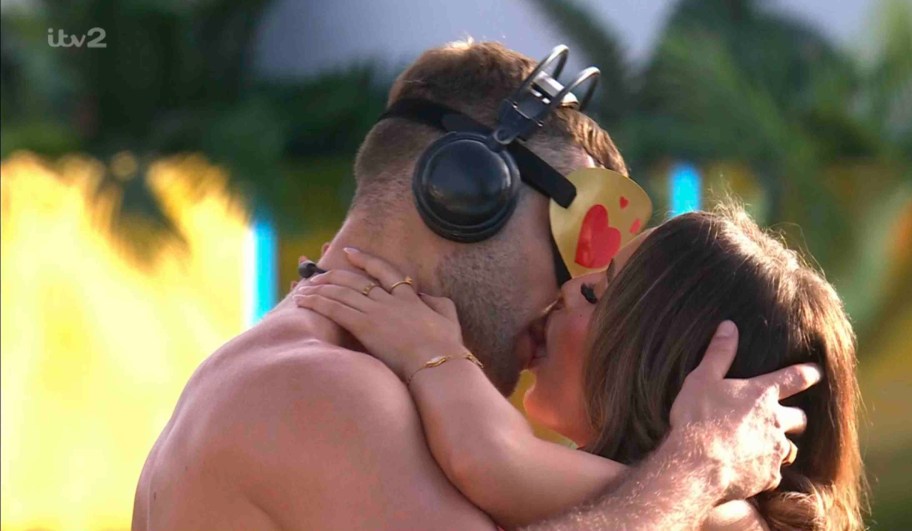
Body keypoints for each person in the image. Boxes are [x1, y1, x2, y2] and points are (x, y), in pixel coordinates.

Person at [132, 41, 820, 530]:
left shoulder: (350, 378)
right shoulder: (321, 388)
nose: (569, 299)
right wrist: (700, 465)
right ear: (465, 194)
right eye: (571, 247)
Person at [293, 206, 865, 530]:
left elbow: (488, 459)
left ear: (659, 368)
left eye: (598, 296)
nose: (565, 290)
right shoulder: (671, 496)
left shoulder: (731, 519)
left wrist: (430, 351)